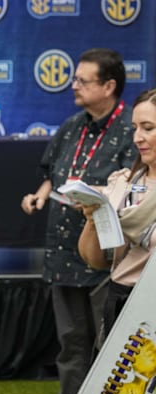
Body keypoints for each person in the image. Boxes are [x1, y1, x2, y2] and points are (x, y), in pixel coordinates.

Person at [21, 48, 137, 394]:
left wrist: (96, 193)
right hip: (62, 249)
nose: (74, 86)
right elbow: (51, 171)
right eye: (75, 79)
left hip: (107, 254)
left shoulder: (134, 127)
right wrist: (40, 194)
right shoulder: (73, 124)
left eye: (83, 81)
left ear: (109, 86)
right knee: (71, 339)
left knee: (109, 339)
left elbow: (134, 186)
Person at [78, 88, 156, 341]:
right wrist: (92, 219)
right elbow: (96, 261)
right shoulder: (121, 184)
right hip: (122, 303)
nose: (137, 138)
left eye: (148, 128)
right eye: (135, 128)